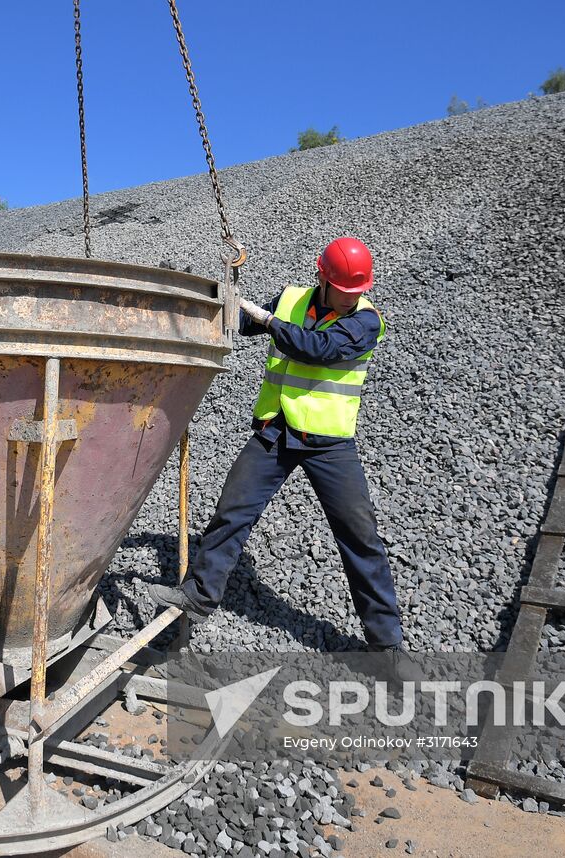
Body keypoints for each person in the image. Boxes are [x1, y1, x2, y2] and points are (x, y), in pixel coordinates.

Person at [149, 237, 419, 679]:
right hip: (276, 430)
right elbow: (241, 324)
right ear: (322, 279)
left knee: (360, 538)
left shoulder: (368, 323)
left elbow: (313, 348)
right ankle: (200, 594)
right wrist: (205, 305)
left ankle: (386, 646)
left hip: (330, 444)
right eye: (344, 291)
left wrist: (266, 317)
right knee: (232, 510)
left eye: (357, 292)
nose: (352, 299)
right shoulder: (293, 299)